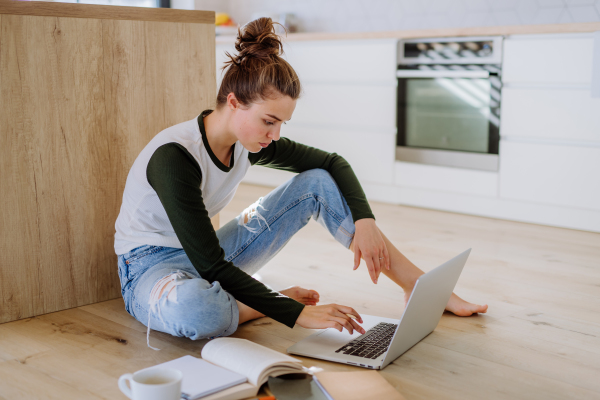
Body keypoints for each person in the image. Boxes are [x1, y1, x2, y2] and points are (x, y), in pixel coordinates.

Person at [114, 17, 487, 350]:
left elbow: (330, 163)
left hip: (207, 256)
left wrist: (365, 220)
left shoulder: (248, 142)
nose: (274, 135)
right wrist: (294, 313)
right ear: (234, 101)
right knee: (197, 311)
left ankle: (417, 285)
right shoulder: (175, 156)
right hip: (150, 269)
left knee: (317, 183)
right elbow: (210, 264)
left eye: (281, 125)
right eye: (269, 121)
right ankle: (251, 307)